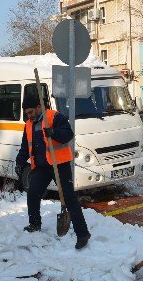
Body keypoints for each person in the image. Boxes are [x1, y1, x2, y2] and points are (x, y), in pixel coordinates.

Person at [15, 98, 91, 250]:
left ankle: (82, 234)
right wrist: (19, 161)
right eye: (26, 113)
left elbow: (68, 134)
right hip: (41, 167)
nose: (29, 116)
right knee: (33, 194)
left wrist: (54, 133)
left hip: (59, 165)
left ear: (38, 107)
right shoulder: (29, 124)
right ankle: (35, 224)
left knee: (69, 198)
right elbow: (25, 146)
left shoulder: (54, 117)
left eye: (30, 112)